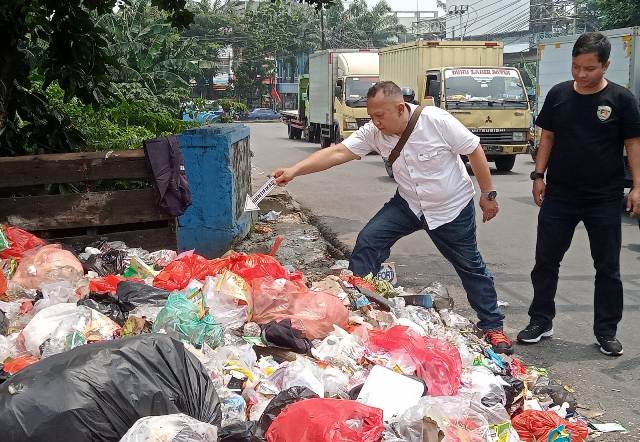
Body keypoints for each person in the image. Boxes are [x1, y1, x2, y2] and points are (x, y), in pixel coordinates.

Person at [274, 81, 513, 354]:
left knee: (469, 266)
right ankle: (360, 304)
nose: (375, 122)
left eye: (380, 116)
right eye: (371, 116)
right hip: (409, 203)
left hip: (450, 208)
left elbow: (474, 149)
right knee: (369, 240)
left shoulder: (436, 121)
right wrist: (295, 170)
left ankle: (493, 326)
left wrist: (488, 194)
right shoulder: (373, 132)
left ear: (400, 108)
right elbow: (339, 152)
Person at [517, 32, 640, 356]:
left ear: (605, 65)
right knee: (545, 260)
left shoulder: (621, 99)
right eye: (576, 67)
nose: (581, 75)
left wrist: (638, 186)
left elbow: (633, 144)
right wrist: (538, 175)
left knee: (608, 267)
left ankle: (606, 331)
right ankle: (541, 320)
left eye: (589, 69)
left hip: (604, 196)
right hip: (561, 195)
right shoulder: (559, 95)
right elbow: (547, 138)